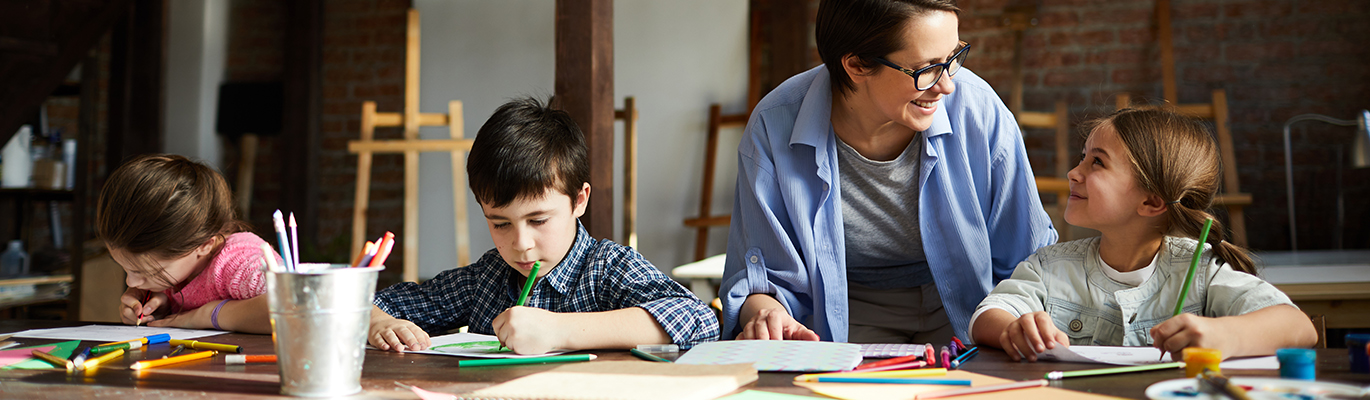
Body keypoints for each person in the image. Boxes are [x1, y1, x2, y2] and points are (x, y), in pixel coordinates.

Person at [721, 0, 1056, 343]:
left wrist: (1018, 322)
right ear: (857, 65)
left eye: (953, 58)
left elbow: (1027, 257)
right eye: (926, 69)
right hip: (848, 309)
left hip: (977, 305)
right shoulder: (774, 124)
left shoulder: (979, 109)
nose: (947, 86)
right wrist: (769, 315)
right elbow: (763, 277)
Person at [368, 97, 719, 354]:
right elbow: (369, 304)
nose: (521, 243)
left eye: (538, 220)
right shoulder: (486, 278)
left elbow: (699, 319)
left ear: (579, 200)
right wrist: (377, 322)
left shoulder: (608, 269)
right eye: (500, 223)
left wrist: (559, 330)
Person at [970, 108, 1318, 361]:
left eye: (1098, 163)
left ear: (1151, 201)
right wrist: (1012, 328)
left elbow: (1299, 327)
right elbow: (989, 314)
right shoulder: (1048, 266)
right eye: (1082, 157)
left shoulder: (1202, 272)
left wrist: (1223, 335)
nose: (1073, 172)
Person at [97, 154, 279, 333]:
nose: (132, 281)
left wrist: (209, 315)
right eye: (126, 268)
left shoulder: (239, 260)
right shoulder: (181, 264)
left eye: (148, 272)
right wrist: (162, 307)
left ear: (204, 245)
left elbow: (296, 306)